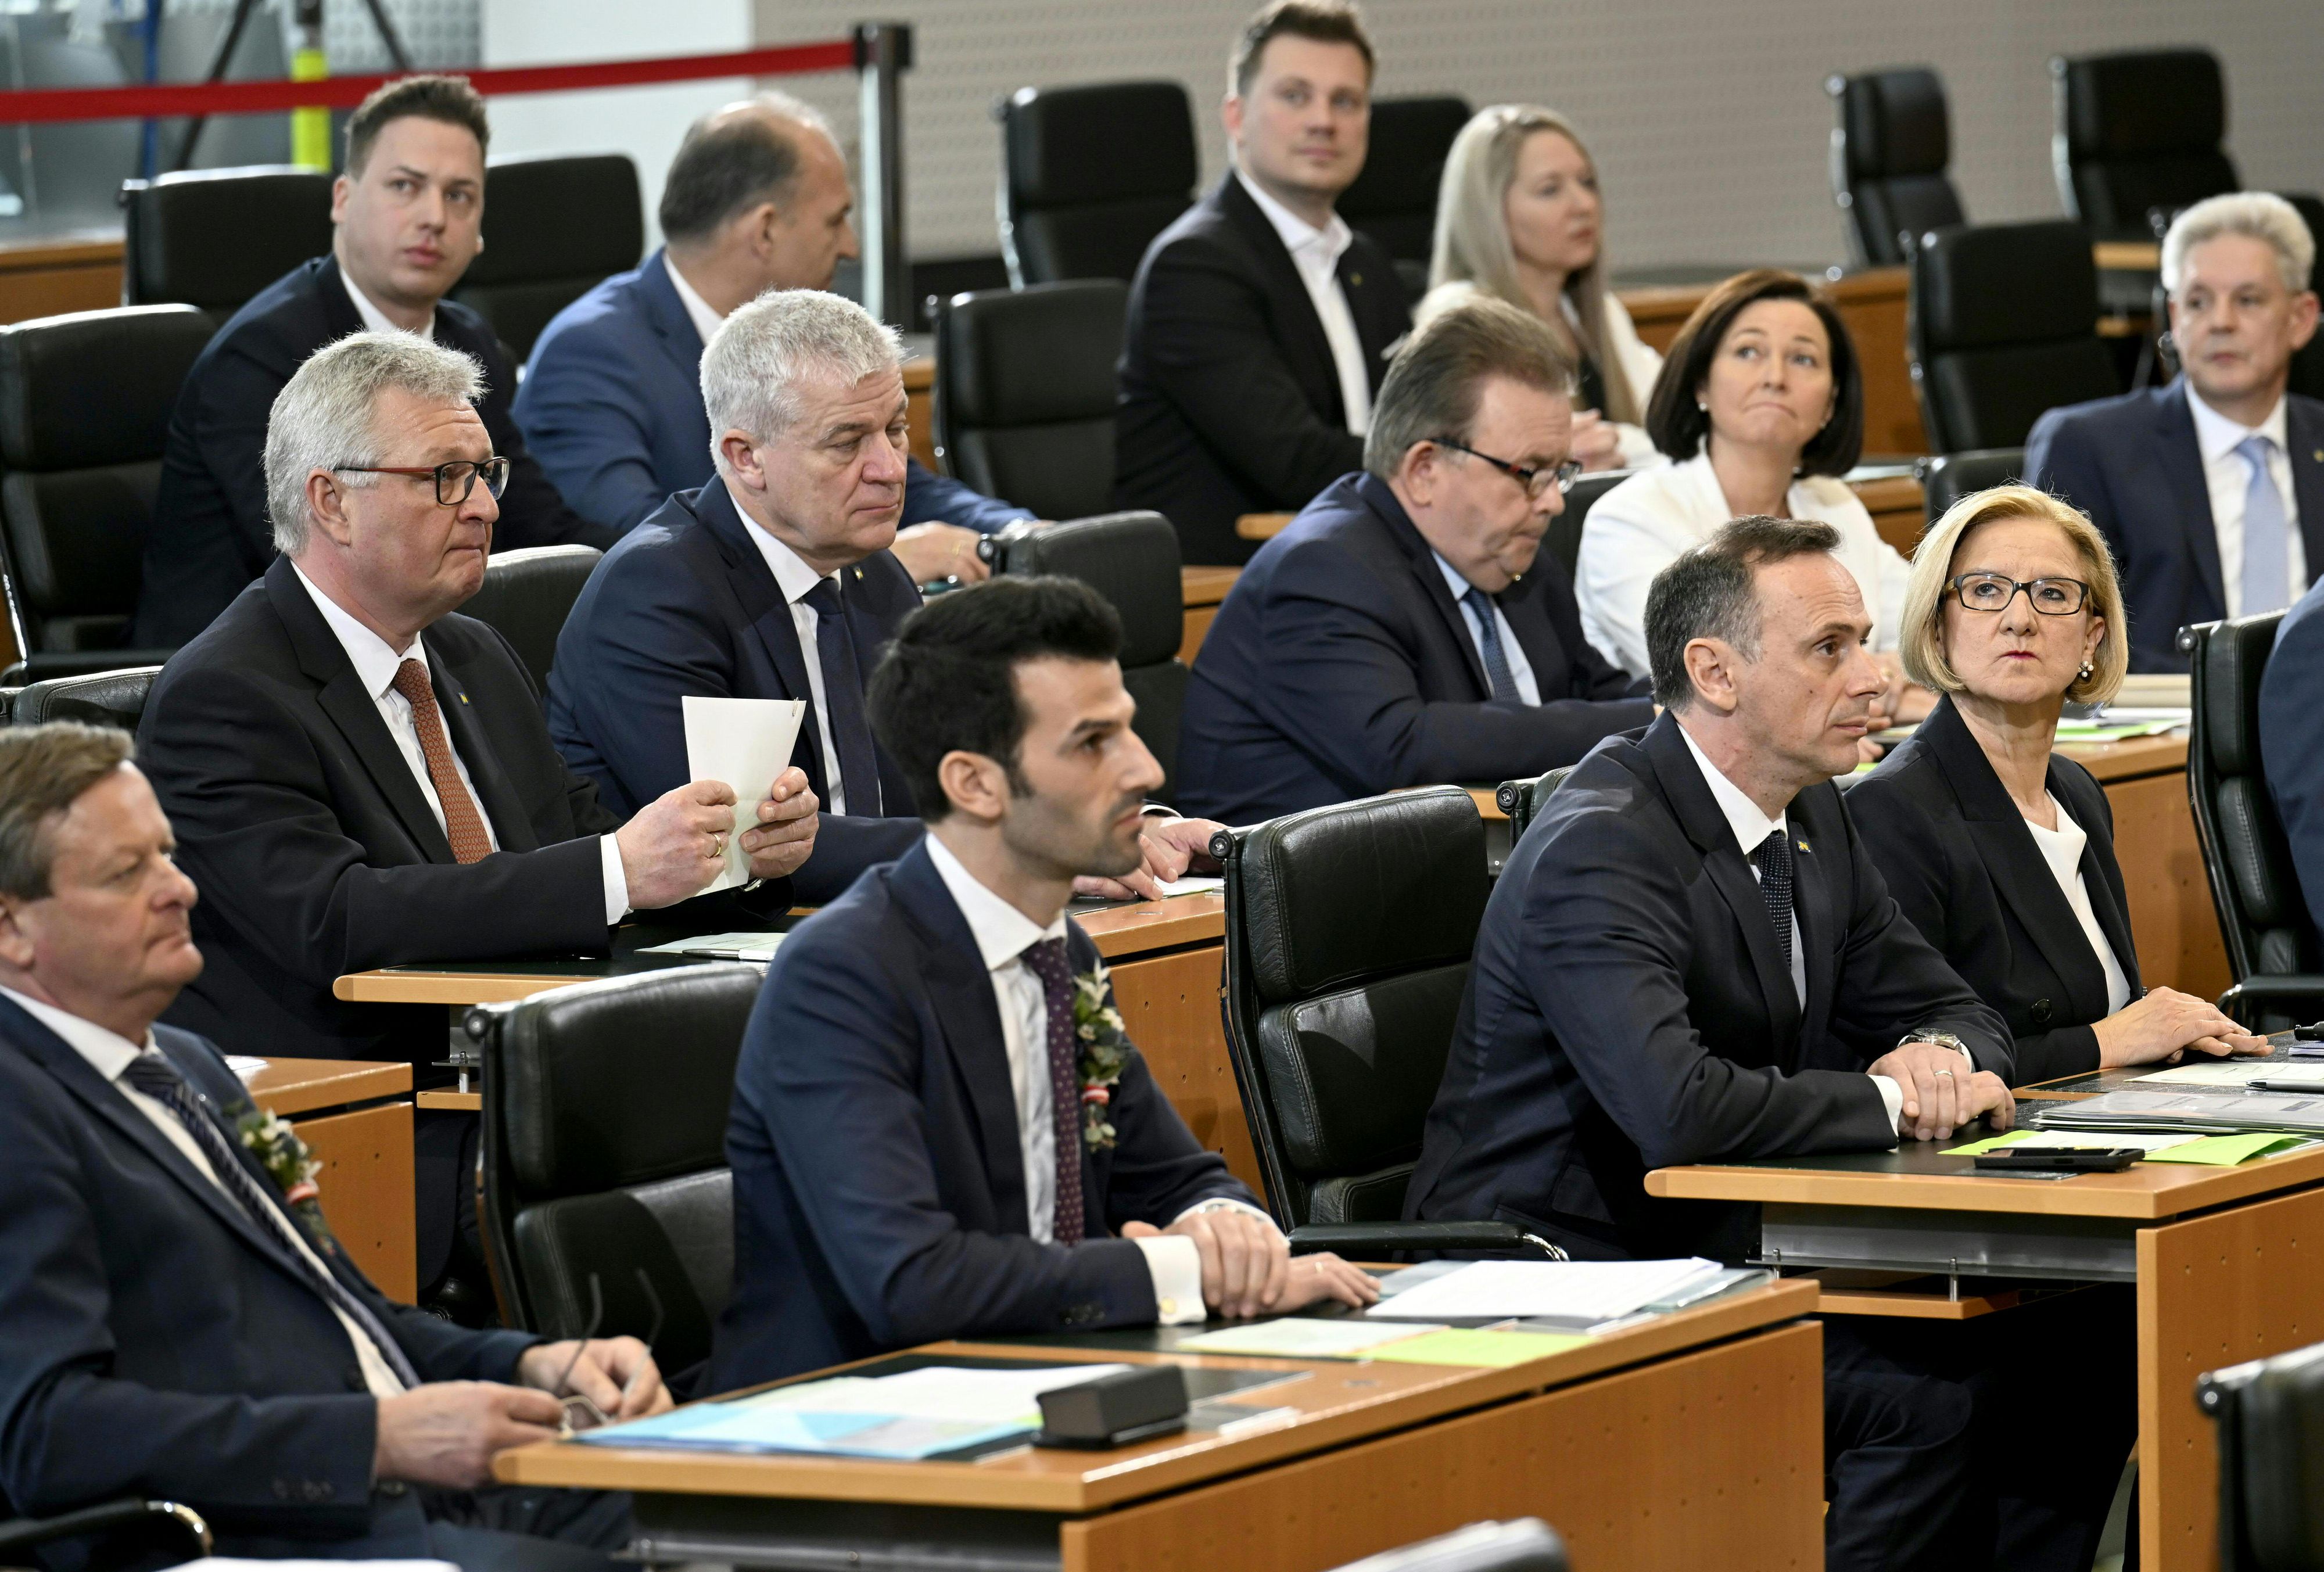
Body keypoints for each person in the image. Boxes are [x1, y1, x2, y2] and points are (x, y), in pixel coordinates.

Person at [1405, 516, 2132, 1572]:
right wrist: (1894, 1102)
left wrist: (1936, 1049)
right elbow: (1681, 1111)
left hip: (1721, 1242)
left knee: (2068, 1346)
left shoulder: (1814, 815)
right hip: (1561, 1269)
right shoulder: (1604, 845)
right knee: (1927, 1401)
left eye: (1865, 641)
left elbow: (1960, 1007)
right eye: (1829, 648)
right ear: (1716, 671)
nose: (1876, 677)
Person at [0, 722, 669, 1570]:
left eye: (167, 854)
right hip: (256, 1535)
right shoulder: (19, 1107)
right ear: (13, 926)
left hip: (411, 1500)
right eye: (127, 873)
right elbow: (48, 1433)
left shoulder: (188, 1065)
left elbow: (351, 1318)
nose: (180, 889)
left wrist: (536, 1362)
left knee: (735, 1508)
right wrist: (373, 1440)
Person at [709, 577, 1378, 1388]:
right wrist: (1181, 1274)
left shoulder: (1062, 950)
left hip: (1043, 1379)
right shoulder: (842, 977)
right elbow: (914, 1285)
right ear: (975, 784)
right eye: (1094, 742)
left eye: (1129, 729)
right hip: (843, 1429)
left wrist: (1227, 1227)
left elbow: (1170, 1175)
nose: (1146, 768)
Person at [549, 289, 1217, 907]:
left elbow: (968, 773)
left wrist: (1124, 827)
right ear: (745, 457)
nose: (890, 469)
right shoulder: (657, 594)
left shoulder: (875, 573)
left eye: (895, 431)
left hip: (875, 917)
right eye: (847, 442)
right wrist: (1026, 853)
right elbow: (753, 845)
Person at [135, 74, 615, 649]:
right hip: (242, 675)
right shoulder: (263, 358)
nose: (433, 217)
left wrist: (645, 563)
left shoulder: (469, 342)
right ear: (342, 200)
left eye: (459, 195)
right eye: (405, 187)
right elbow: (322, 562)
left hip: (409, 642)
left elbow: (538, 524)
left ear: (481, 226)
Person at [512, 91, 1028, 584]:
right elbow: (643, 546)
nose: (850, 246)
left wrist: (1025, 536)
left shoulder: (813, 342)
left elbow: (904, 488)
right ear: (765, 230)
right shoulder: (588, 354)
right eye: (836, 220)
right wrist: (881, 564)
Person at [1178, 295, 1651, 823]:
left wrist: (1690, 707)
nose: (1554, 501)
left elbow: (1598, 691)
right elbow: (1404, 747)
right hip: (1297, 898)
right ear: (1425, 469)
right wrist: (1650, 717)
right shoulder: (1322, 572)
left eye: (1560, 472)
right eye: (1529, 472)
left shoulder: (1516, 561)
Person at [1850, 484, 2266, 1081]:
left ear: (2091, 639)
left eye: (2052, 595)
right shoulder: (1891, 810)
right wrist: (2109, 1041)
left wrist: (2178, 1032)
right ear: (1937, 626)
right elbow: (1914, 1069)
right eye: (1985, 591)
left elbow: (2111, 1012)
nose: (2019, 619)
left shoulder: (2075, 793)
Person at [1114, 0, 1411, 565]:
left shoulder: (1366, 262)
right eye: (1295, 96)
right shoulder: (1194, 266)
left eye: (1345, 101)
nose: (1323, 120)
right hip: (1227, 585)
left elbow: (1417, 412)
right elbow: (1293, 460)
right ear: (1235, 116)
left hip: (1357, 555)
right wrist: (1457, 462)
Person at [1577, 269, 1930, 737]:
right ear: (1700, 384)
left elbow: (1928, 633)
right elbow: (1713, 679)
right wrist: (1878, 682)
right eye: (1748, 352)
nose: (1775, 378)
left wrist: (1879, 679)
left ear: (1830, 404)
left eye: (1803, 359)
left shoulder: (1833, 505)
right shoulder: (1631, 517)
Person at [2027, 192, 2324, 672]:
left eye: (2248, 300)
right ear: (2174, 319)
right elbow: (2059, 635)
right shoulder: (2090, 448)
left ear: (2300, 318)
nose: (2221, 322)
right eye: (2198, 302)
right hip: (2167, 729)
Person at [1417, 104, 1663, 469]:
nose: (1584, 205)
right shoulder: (1461, 317)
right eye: (1550, 190)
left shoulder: (1601, 312)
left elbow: (1673, 427)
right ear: (1489, 212)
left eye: (1587, 182)